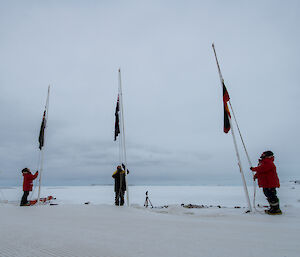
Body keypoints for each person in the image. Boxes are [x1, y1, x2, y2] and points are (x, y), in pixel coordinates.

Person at [250, 151, 282, 215]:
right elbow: (261, 171)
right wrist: (256, 175)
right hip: (266, 183)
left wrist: (254, 169)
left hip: (270, 183)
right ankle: (273, 208)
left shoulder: (268, 162)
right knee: (268, 194)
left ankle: (276, 209)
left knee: (271, 195)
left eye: (264, 155)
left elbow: (262, 168)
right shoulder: (263, 163)